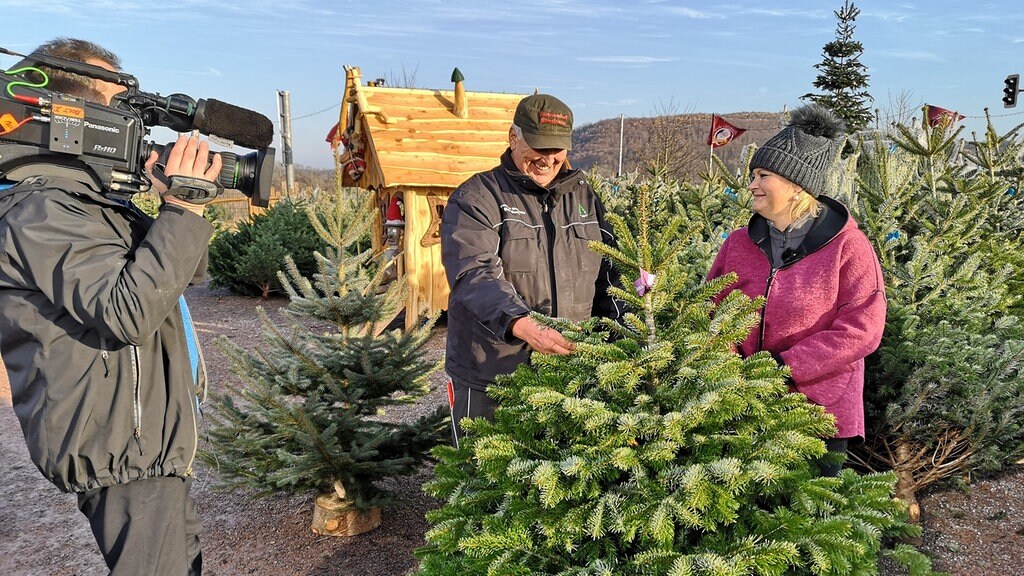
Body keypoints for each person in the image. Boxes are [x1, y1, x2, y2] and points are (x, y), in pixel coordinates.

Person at [0, 38, 220, 575]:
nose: (128, 122)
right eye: (114, 105)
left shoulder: (86, 204)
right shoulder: (41, 208)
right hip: (121, 447)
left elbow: (185, 273)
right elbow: (127, 312)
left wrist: (171, 206)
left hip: (144, 444)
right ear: (64, 115)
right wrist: (182, 208)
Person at [707, 104, 886, 476]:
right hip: (742, 402)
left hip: (820, 411)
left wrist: (785, 368)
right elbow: (711, 306)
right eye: (753, 174)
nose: (752, 184)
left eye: (763, 175)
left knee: (813, 521)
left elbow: (862, 329)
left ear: (795, 186)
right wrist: (730, 368)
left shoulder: (847, 246)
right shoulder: (739, 243)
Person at [441, 93, 622, 447]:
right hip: (492, 372)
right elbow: (474, 273)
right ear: (513, 138)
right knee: (483, 480)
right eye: (538, 147)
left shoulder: (584, 198)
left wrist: (623, 340)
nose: (548, 159)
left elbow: (610, 276)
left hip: (569, 371)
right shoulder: (478, 197)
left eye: (557, 149)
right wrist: (522, 324)